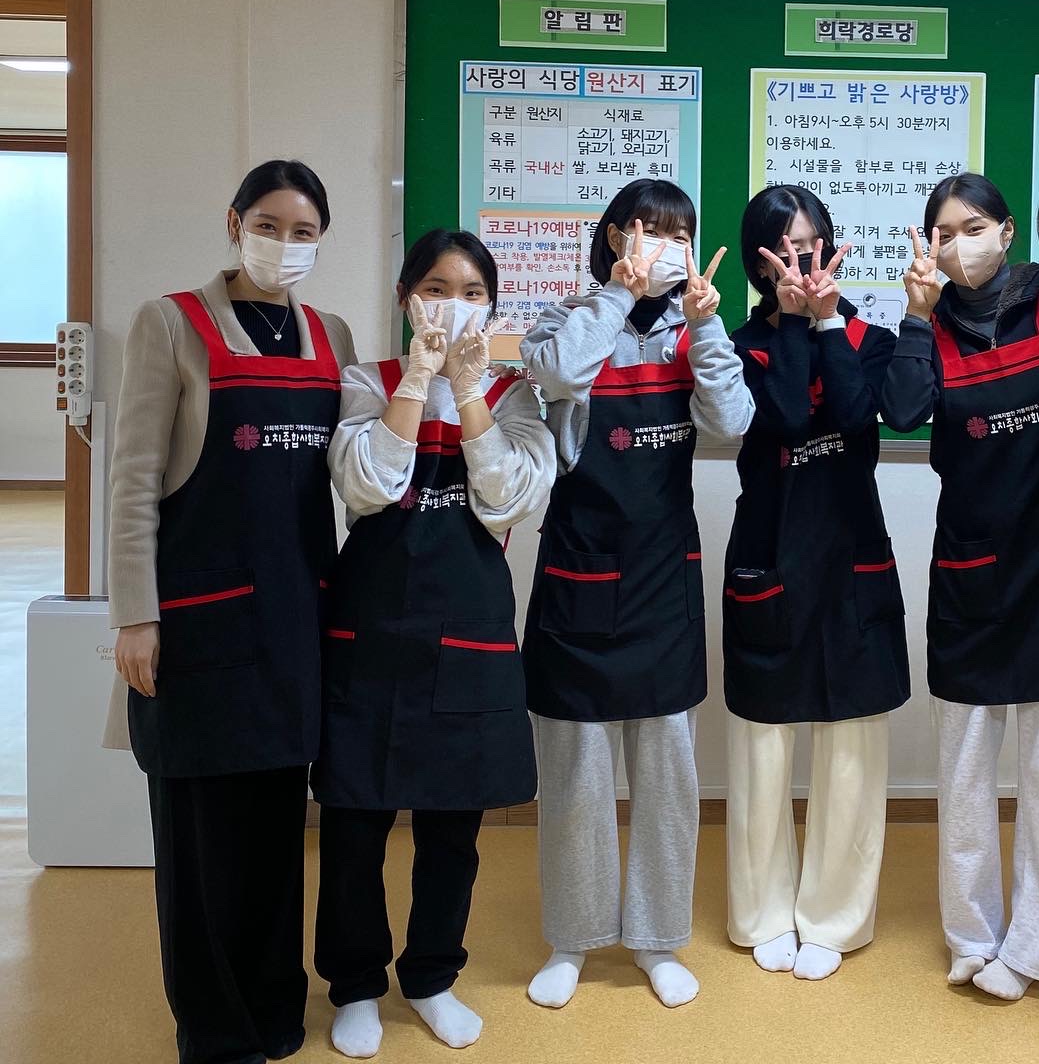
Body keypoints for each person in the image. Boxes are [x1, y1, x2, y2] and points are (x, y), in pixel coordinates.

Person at [104, 160, 354, 1064]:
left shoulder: (332, 335)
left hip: (295, 621)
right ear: (234, 222)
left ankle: (276, 1010)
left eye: (304, 232)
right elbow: (133, 480)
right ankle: (214, 1029)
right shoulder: (171, 322)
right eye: (269, 225)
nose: (285, 244)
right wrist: (136, 615)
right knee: (201, 837)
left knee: (278, 828)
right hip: (197, 620)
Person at [880, 172, 1039, 1002]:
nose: (961, 245)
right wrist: (914, 314)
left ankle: (1038, 948)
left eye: (974, 227)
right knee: (962, 773)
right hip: (973, 571)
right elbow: (903, 412)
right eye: (944, 233)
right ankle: (972, 936)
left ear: (1007, 230)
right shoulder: (929, 324)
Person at [313, 229, 555, 1058]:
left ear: (493, 307)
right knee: (354, 823)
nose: (455, 306)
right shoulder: (365, 382)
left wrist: (468, 389)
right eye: (437, 289)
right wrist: (417, 380)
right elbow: (365, 486)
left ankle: (431, 977)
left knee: (453, 828)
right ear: (405, 299)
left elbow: (508, 498)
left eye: (473, 292)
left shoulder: (515, 395)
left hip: (468, 635)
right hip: (370, 633)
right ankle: (355, 984)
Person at [520, 178, 753, 1011]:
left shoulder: (693, 330)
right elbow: (556, 375)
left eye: (678, 234)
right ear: (616, 236)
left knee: (667, 779)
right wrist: (618, 295)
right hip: (577, 577)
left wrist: (706, 324)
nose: (664, 246)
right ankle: (572, 939)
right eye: (648, 231)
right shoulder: (566, 319)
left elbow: (731, 423)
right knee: (576, 778)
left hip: (661, 581)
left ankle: (657, 940)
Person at [723, 184, 908, 981]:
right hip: (767, 555)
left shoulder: (869, 337)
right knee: (762, 750)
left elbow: (861, 419)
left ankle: (834, 918)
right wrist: (795, 322)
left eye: (812, 242)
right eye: (783, 246)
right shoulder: (734, 347)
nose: (800, 258)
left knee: (851, 751)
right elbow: (790, 417)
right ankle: (762, 912)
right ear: (759, 259)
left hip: (852, 557)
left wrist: (827, 322)